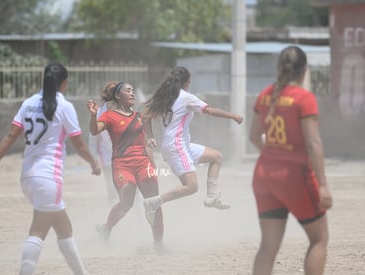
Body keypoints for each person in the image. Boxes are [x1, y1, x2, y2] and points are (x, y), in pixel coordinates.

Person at [0, 62, 101, 275]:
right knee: (38, 231)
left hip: (28, 176)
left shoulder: (28, 103)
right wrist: (93, 162)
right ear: (64, 83)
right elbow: (79, 144)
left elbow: (10, 136)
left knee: (63, 227)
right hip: (48, 178)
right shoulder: (65, 106)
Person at [249, 45, 333, 275]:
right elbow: (313, 143)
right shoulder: (304, 99)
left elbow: (254, 136)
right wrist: (323, 185)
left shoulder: (265, 95)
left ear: (279, 68)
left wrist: (273, 155)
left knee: (268, 246)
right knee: (319, 239)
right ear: (304, 70)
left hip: (264, 175)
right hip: (295, 176)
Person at [141, 66, 243, 225]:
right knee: (191, 187)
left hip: (180, 145)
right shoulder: (185, 97)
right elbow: (210, 111)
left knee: (216, 157)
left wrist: (151, 137)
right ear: (187, 82)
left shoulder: (165, 97)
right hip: (177, 146)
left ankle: (212, 197)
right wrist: (233, 116)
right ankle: (153, 202)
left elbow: (144, 116)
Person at [87, 81, 164, 246]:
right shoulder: (108, 116)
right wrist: (93, 116)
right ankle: (106, 229)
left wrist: (152, 155)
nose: (132, 93)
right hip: (122, 164)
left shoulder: (139, 117)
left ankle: (158, 243)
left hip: (143, 162)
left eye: (133, 91)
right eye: (127, 91)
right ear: (117, 95)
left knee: (154, 202)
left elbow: (146, 140)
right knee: (126, 201)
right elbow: (94, 131)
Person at [88, 97, 118, 206]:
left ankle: (135, 216)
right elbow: (93, 139)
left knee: (128, 187)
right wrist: (95, 161)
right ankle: (116, 219)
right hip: (107, 158)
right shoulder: (99, 112)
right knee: (111, 188)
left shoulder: (125, 109)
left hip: (123, 157)